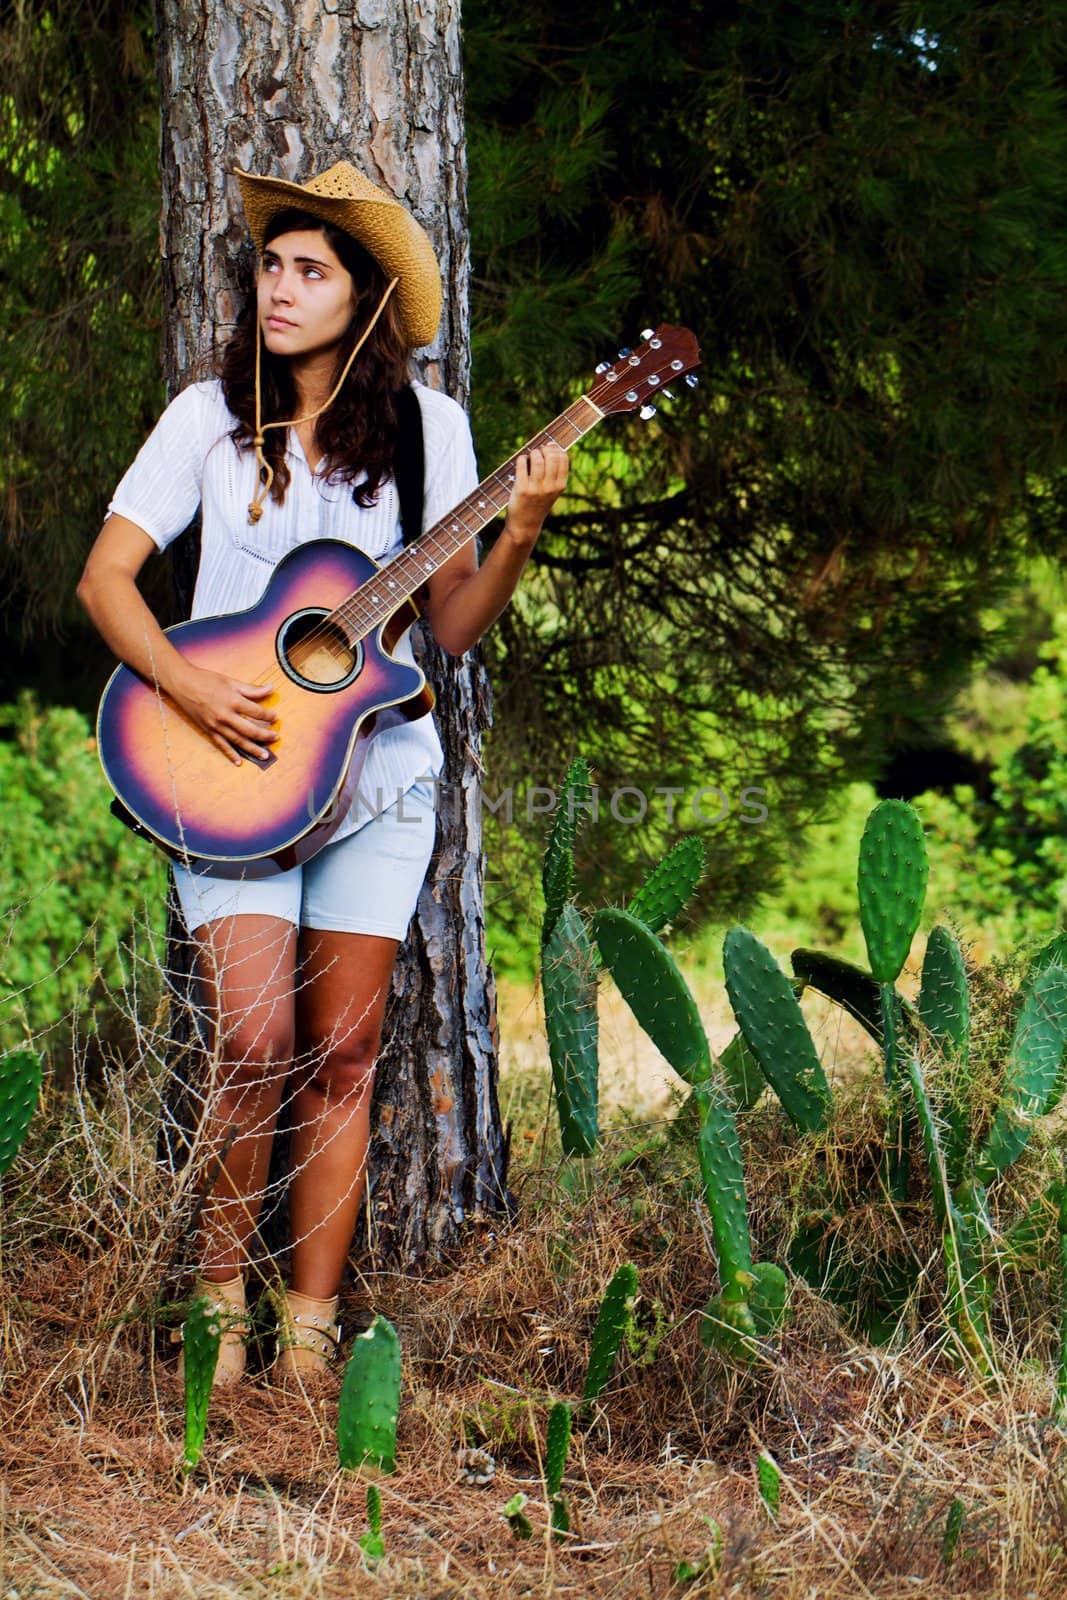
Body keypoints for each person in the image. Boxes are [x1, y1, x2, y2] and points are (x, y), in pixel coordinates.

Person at [77, 160, 568, 1392]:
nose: (280, 289)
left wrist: (515, 533)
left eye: (311, 271)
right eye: (271, 267)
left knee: (344, 1055)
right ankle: (215, 1310)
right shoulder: (206, 417)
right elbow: (106, 579)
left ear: (365, 299)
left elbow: (447, 632)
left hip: (379, 775)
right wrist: (188, 687)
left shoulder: (428, 434)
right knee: (253, 1043)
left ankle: (306, 1335)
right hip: (226, 765)